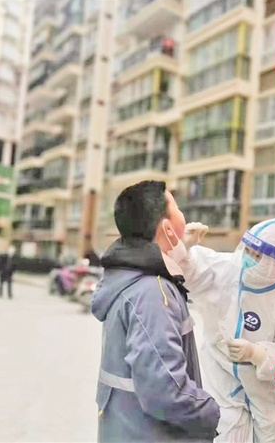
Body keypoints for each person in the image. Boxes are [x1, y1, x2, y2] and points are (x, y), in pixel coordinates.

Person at [91, 180, 220, 442]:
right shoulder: (153, 292)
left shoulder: (128, 277)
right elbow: (165, 391)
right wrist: (211, 412)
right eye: (178, 209)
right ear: (168, 228)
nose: (184, 216)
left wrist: (179, 254)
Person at [180, 218, 275, 443]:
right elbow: (190, 272)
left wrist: (258, 354)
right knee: (223, 433)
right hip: (220, 375)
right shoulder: (227, 269)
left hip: (268, 391)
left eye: (258, 255)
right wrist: (184, 248)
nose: (248, 258)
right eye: (248, 250)